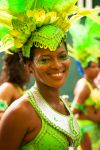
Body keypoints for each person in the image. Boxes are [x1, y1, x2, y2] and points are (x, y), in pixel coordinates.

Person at [0, 0, 99, 149]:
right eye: (45, 59)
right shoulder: (20, 112)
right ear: (29, 66)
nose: (57, 65)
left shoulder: (64, 104)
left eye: (62, 56)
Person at [70, 16, 100, 150]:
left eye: (97, 66)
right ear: (83, 68)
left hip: (94, 130)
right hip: (85, 129)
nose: (97, 69)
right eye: (93, 66)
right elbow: (74, 109)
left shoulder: (93, 83)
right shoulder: (84, 85)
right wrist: (91, 116)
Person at [0, 53, 30, 119]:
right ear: (17, 67)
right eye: (26, 64)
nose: (29, 69)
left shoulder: (20, 89)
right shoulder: (8, 87)